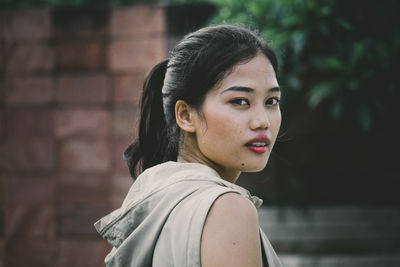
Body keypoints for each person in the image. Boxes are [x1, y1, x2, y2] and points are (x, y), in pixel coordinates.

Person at [94, 24, 282, 267]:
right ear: (185, 115)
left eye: (271, 101)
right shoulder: (229, 209)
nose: (262, 121)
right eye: (240, 101)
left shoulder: (155, 202)